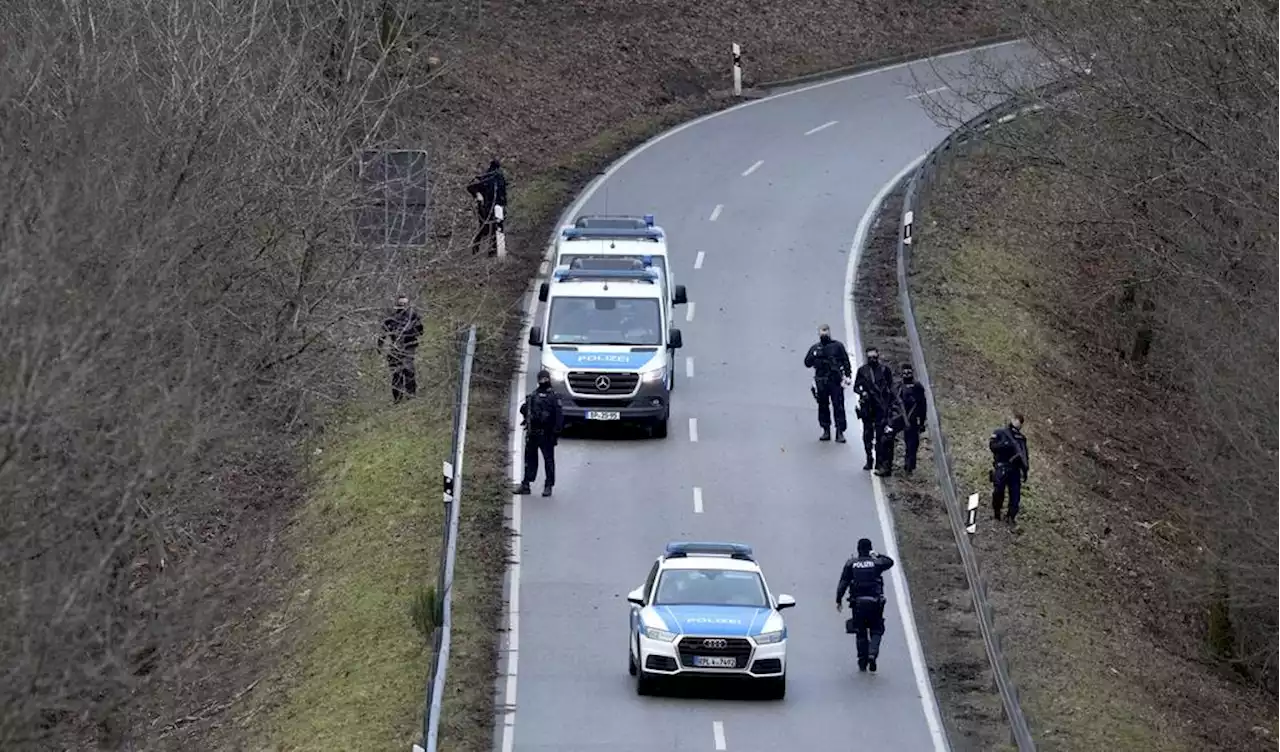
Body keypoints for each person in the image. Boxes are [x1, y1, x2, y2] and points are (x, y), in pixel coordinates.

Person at [836, 538, 896, 673]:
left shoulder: (851, 564)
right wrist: (877, 554)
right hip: (875, 604)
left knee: (860, 633)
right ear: (870, 549)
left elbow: (843, 583)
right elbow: (890, 562)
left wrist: (838, 599)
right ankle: (872, 654)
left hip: (858, 605)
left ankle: (862, 661)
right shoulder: (876, 563)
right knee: (877, 630)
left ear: (858, 549)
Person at [516, 369, 563, 497]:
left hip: (547, 434)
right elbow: (525, 410)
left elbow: (559, 417)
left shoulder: (553, 397)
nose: (544, 381)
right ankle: (526, 484)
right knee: (529, 459)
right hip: (533, 433)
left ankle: (548, 485)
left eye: (545, 379)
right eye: (542, 379)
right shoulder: (533, 395)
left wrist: (555, 433)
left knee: (548, 461)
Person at [803, 324, 853, 442]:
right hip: (821, 381)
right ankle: (826, 430)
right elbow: (807, 363)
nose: (824, 334)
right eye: (822, 332)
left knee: (838, 406)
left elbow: (846, 361)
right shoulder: (815, 348)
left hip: (835, 381)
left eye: (826, 331)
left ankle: (840, 432)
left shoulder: (837, 346)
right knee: (823, 406)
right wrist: (814, 356)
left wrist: (848, 376)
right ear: (819, 334)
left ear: (830, 332)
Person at [852, 346, 894, 471]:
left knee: (881, 436)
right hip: (867, 408)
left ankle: (879, 461)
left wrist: (888, 404)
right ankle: (869, 459)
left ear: (878, 356)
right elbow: (856, 386)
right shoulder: (862, 371)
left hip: (881, 408)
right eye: (870, 357)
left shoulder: (884, 370)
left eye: (874, 357)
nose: (872, 359)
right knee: (867, 435)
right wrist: (863, 392)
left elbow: (891, 388)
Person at [376, 294, 424, 403]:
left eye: (404, 303)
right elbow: (383, 334)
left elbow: (420, 331)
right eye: (400, 303)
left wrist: (412, 330)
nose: (402, 306)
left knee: (408, 370)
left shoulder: (413, 317)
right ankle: (397, 398)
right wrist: (380, 346)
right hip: (395, 348)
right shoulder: (391, 319)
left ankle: (410, 395)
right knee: (396, 372)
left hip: (409, 346)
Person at [884, 363, 928, 476]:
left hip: (912, 418)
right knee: (886, 438)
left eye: (909, 372)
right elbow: (890, 402)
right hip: (899, 417)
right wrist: (890, 418)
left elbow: (923, 405)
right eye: (905, 372)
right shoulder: (898, 386)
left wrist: (922, 422)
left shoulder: (918, 387)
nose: (907, 374)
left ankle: (909, 468)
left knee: (912, 445)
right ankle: (886, 465)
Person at [989, 412, 1030, 524]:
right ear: (1012, 419)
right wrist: (1005, 445)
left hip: (1015, 470)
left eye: (1021, 421)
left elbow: (1024, 455)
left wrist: (1025, 470)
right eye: (1017, 419)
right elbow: (992, 446)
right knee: (998, 492)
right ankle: (997, 513)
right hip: (1002, 466)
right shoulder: (1001, 432)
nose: (1018, 423)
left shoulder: (1021, 438)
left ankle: (1011, 517)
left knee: (1015, 496)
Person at [466, 158, 508, 256]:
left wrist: (504, 206)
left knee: (497, 228)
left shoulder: (499, 177)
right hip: (486, 207)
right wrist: (478, 195)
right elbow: (471, 186)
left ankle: (493, 251)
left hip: (497, 207)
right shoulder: (486, 177)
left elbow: (503, 194)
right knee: (485, 228)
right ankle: (476, 249)